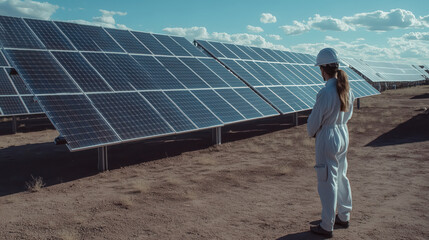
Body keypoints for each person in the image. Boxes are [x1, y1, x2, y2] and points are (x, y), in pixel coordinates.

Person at [307, 48, 354, 238]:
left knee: (327, 181)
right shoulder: (347, 90)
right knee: (341, 175)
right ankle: (344, 215)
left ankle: (327, 225)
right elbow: (348, 114)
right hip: (343, 132)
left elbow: (313, 122)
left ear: (323, 69)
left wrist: (313, 132)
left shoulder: (325, 92)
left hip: (328, 136)